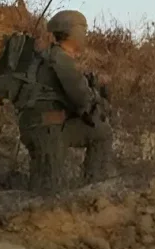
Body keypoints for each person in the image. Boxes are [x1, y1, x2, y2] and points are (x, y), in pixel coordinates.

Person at [16, 10, 115, 194]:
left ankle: (90, 188)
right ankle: (93, 187)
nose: (86, 35)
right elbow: (80, 97)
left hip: (40, 125)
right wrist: (101, 104)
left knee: (44, 186)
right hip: (47, 129)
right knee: (48, 194)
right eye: (83, 30)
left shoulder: (48, 56)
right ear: (71, 32)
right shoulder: (59, 58)